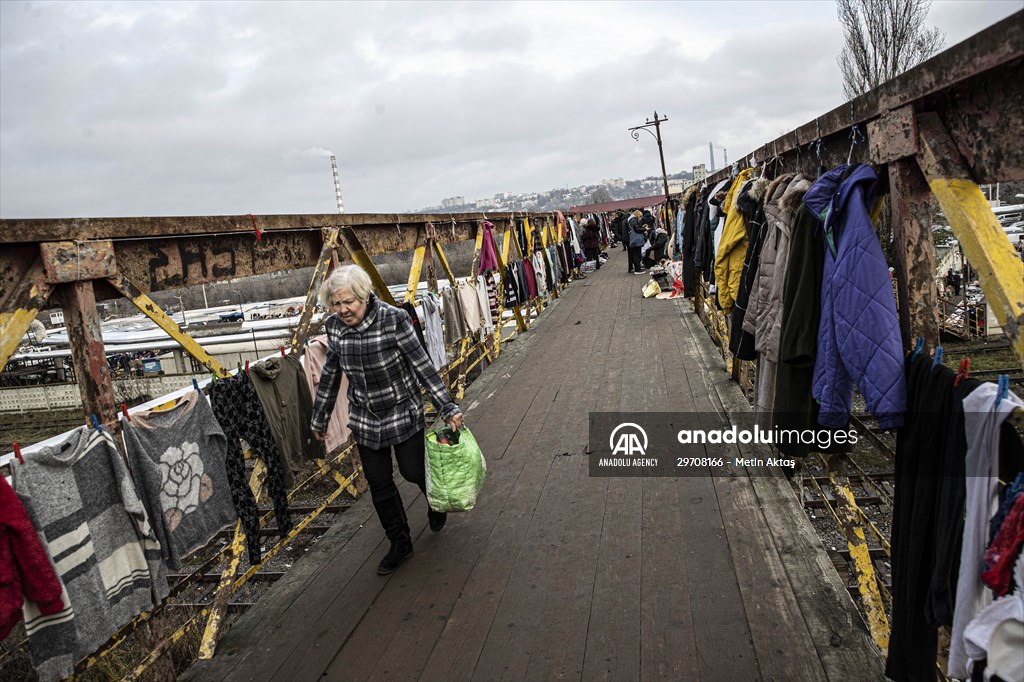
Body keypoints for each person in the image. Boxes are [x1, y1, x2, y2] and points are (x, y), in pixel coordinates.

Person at [310, 264, 464, 575]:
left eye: (348, 302)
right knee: (379, 483)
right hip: (365, 416)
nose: (342, 310)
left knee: (412, 470)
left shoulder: (393, 319)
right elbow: (330, 375)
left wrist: (447, 407)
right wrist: (320, 419)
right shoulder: (334, 327)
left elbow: (422, 365)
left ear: (364, 296)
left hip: (401, 409)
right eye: (335, 303)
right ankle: (399, 542)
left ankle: (436, 503)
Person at [627, 210, 647, 274]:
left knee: (636, 254)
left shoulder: (631, 219)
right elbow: (637, 229)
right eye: (640, 216)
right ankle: (637, 269)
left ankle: (638, 268)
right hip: (636, 240)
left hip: (634, 239)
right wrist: (644, 229)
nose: (640, 217)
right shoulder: (634, 219)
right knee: (637, 254)